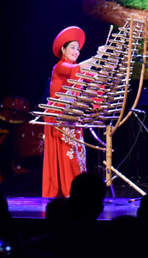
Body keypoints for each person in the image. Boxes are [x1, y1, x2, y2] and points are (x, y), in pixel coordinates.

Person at [43, 26, 88, 197]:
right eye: (72, 48)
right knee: (68, 154)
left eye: (78, 48)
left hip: (71, 114)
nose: (76, 52)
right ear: (63, 49)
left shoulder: (74, 67)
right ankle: (69, 191)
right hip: (59, 116)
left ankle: (79, 191)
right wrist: (96, 60)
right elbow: (74, 71)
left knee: (78, 154)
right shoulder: (60, 66)